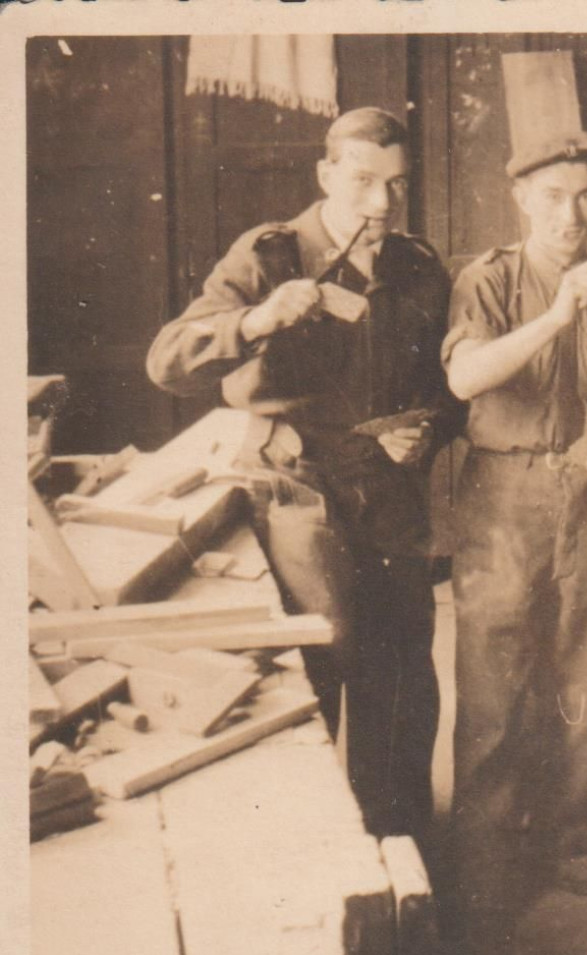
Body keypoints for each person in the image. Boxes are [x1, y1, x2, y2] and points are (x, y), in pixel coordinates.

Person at [147, 107, 456, 840]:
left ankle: (401, 859)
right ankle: (322, 859)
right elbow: (166, 362)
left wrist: (428, 429)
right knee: (315, 682)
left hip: (387, 495)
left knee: (405, 685)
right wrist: (253, 323)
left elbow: (449, 389)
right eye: (362, 182)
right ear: (325, 176)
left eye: (397, 185)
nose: (381, 204)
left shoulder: (417, 265)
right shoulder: (271, 255)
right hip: (297, 497)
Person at [437, 123, 587, 955]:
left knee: (585, 678)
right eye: (555, 198)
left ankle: (557, 837)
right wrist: (560, 312)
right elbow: (464, 378)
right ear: (521, 197)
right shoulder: (487, 279)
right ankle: (485, 860)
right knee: (494, 679)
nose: (572, 214)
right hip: (503, 495)